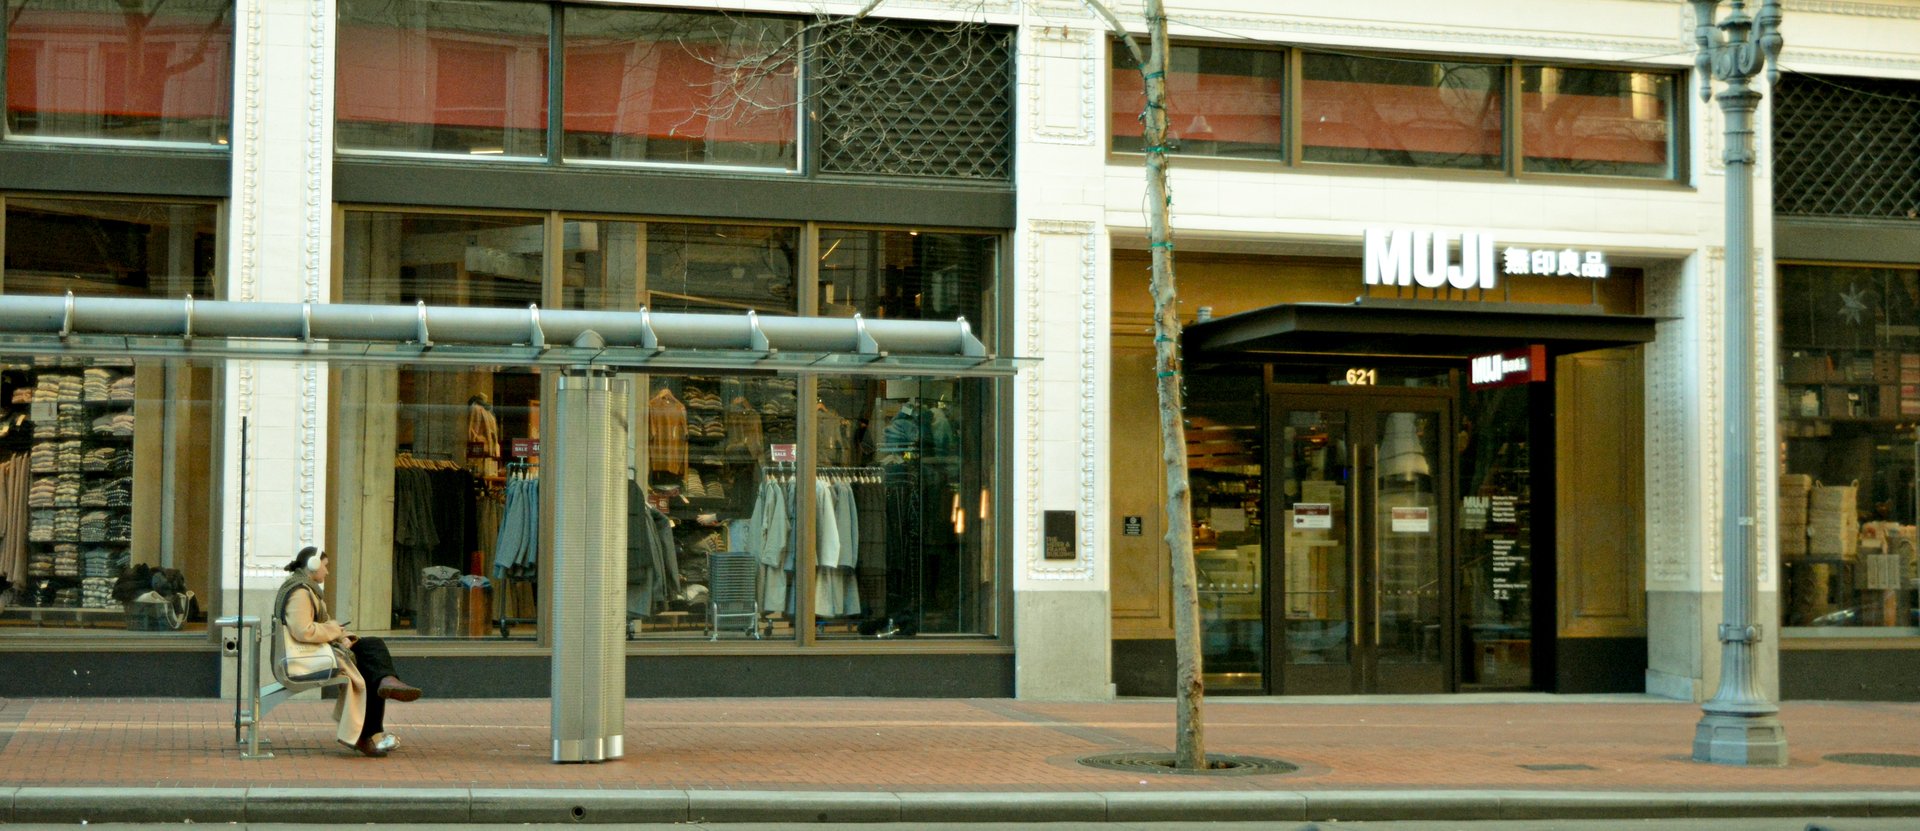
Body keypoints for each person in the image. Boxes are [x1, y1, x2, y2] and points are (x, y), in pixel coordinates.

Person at [274, 546, 422, 757]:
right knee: (367, 667)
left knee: (373, 646)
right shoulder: (300, 593)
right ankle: (367, 731)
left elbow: (317, 626)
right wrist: (334, 631)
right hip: (306, 658)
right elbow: (303, 631)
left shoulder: (307, 590)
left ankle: (386, 683)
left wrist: (343, 637)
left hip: (315, 650)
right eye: (325, 566)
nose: (327, 572)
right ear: (313, 566)